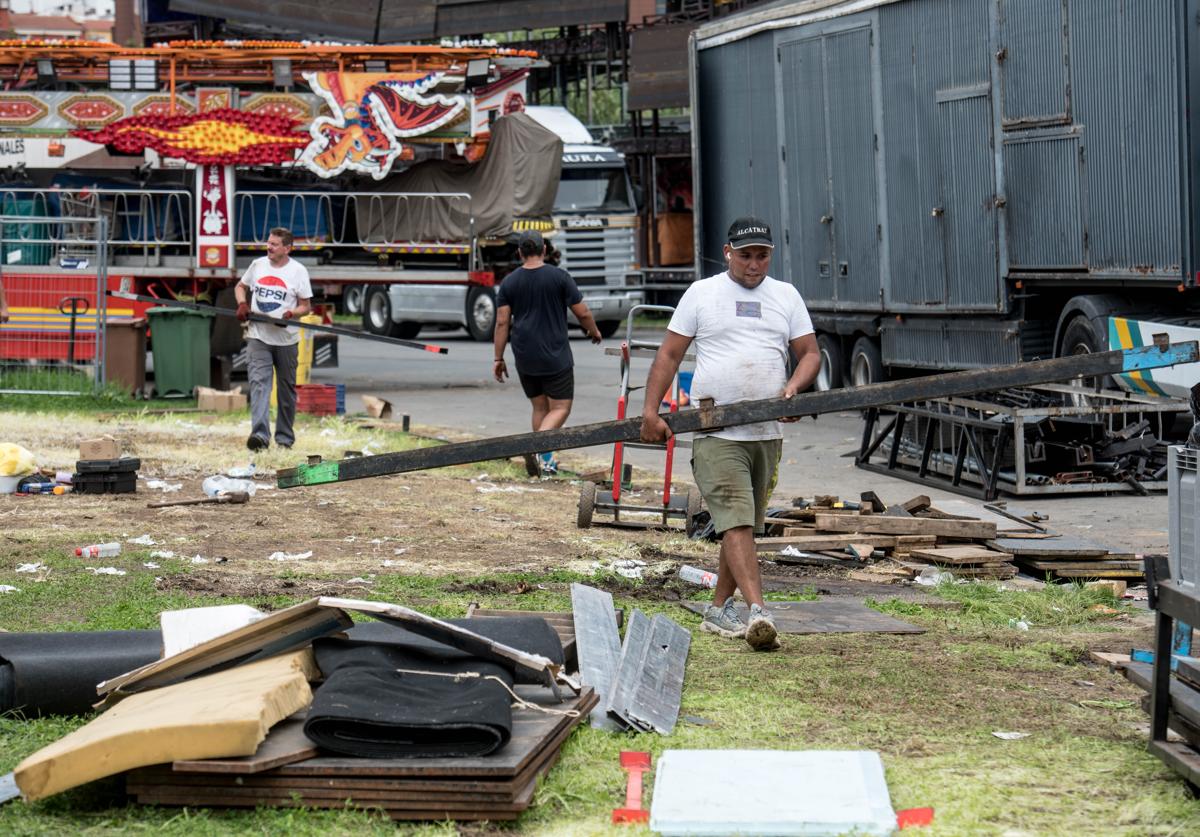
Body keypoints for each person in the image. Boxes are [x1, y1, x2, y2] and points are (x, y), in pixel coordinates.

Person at [640, 217, 820, 652]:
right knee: (737, 520)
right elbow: (669, 354)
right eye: (746, 256)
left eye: (762, 256)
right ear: (727, 253)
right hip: (716, 432)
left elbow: (810, 353)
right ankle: (759, 611)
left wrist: (794, 389)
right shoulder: (702, 294)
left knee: (741, 524)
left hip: (766, 433)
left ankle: (719, 608)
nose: (754, 265)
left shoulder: (786, 296)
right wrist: (650, 410)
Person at [493, 230, 602, 475]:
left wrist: (498, 358)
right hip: (554, 354)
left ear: (519, 252)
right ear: (544, 250)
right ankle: (536, 447)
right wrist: (593, 331)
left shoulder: (509, 282)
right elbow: (582, 312)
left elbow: (502, 322)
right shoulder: (559, 277)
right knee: (561, 408)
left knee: (540, 409)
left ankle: (545, 464)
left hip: (524, 354)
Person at [235, 227, 312, 451]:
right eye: (268, 243)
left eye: (274, 244)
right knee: (259, 385)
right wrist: (242, 303)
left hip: (286, 340)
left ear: (287, 248)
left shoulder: (298, 271)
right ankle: (259, 436)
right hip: (258, 336)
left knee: (286, 391)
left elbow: (306, 306)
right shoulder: (258, 265)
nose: (269, 247)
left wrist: (291, 314)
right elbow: (241, 286)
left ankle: (285, 439)